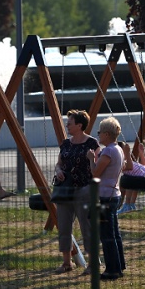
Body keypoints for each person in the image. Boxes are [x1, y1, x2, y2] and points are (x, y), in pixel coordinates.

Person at [54, 109, 99, 274]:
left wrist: (92, 160)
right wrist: (58, 170)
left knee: (86, 226)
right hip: (65, 190)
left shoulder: (92, 144)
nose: (67, 125)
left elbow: (97, 166)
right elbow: (59, 163)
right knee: (64, 226)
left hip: (84, 189)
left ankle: (92, 263)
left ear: (79, 125)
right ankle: (66, 263)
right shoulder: (66, 144)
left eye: (70, 123)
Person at [87, 117, 125, 280]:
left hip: (104, 196)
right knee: (114, 233)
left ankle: (112, 269)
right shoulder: (119, 149)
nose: (98, 136)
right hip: (114, 194)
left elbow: (96, 173)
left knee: (107, 235)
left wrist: (91, 159)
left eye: (100, 132)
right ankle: (119, 264)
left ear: (107, 134)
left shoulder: (108, 151)